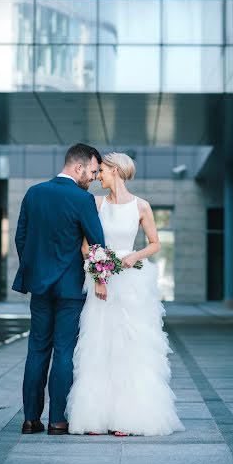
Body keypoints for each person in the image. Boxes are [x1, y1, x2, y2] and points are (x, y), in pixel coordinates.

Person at [66, 152, 185, 436]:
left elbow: (155, 243)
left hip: (131, 282)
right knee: (98, 347)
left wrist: (135, 255)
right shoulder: (95, 204)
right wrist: (98, 274)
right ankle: (94, 417)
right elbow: (86, 246)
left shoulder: (141, 206)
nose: (98, 176)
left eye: (102, 171)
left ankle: (128, 417)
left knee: (129, 348)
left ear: (115, 171)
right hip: (101, 282)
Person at [12, 143, 105, 435]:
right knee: (64, 352)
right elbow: (97, 244)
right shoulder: (82, 199)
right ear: (78, 168)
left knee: (37, 350)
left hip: (39, 288)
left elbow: (21, 238)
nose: (92, 178)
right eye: (91, 171)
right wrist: (100, 276)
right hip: (69, 289)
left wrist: (36, 271)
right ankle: (57, 421)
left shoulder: (34, 193)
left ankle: (30, 420)